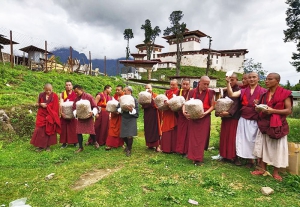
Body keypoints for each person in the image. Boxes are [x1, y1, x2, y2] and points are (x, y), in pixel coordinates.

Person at [252, 73, 292, 181]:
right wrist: (258, 108)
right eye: (266, 79)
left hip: (278, 124)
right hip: (265, 123)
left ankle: (276, 172)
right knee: (264, 146)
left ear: (277, 81)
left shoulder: (285, 94)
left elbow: (288, 110)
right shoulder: (264, 94)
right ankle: (262, 169)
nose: (266, 81)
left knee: (277, 147)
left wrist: (273, 111)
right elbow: (262, 107)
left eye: (270, 79)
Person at [226, 72, 267, 168]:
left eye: (254, 77)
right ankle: (250, 160)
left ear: (258, 78)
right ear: (247, 79)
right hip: (244, 118)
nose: (252, 79)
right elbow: (231, 94)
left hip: (256, 118)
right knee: (245, 139)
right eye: (250, 78)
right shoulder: (243, 90)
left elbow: (267, 104)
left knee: (256, 140)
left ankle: (258, 161)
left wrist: (259, 103)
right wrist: (228, 83)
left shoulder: (263, 91)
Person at [183, 76, 215, 166]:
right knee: (193, 137)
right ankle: (193, 156)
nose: (206, 86)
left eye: (208, 84)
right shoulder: (192, 92)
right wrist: (184, 112)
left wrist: (205, 113)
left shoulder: (210, 92)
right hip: (193, 118)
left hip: (204, 118)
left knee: (201, 138)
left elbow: (213, 105)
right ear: (199, 82)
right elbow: (185, 103)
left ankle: (198, 158)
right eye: (204, 84)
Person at [216, 73, 241, 164]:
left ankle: (233, 157)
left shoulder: (239, 90)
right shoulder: (225, 90)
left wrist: (229, 112)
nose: (230, 81)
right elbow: (220, 102)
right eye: (229, 79)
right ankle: (224, 155)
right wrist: (218, 112)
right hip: (225, 118)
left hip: (234, 117)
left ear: (237, 80)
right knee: (224, 136)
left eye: (233, 79)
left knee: (232, 138)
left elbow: (236, 104)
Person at [30, 83, 61, 152]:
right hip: (42, 115)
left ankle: (48, 146)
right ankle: (40, 146)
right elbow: (37, 104)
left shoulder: (55, 96)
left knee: (49, 129)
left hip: (51, 115)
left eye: (50, 90)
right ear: (44, 89)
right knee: (40, 130)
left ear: (52, 89)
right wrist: (41, 104)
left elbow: (56, 107)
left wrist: (52, 115)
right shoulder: (41, 95)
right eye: (47, 90)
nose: (48, 92)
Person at [72, 85, 99, 153]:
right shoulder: (76, 99)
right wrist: (76, 114)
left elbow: (94, 106)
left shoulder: (88, 96)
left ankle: (95, 142)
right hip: (80, 118)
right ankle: (81, 147)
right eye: (75, 92)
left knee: (91, 131)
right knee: (78, 132)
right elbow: (74, 108)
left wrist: (92, 113)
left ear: (81, 90)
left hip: (88, 117)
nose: (76, 94)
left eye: (77, 92)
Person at [118, 86, 139, 156]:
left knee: (129, 135)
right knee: (123, 135)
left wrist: (131, 110)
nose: (123, 92)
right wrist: (120, 109)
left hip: (131, 118)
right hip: (124, 117)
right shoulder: (122, 99)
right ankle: (128, 146)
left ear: (129, 91)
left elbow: (137, 112)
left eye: (125, 91)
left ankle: (129, 149)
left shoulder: (134, 99)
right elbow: (118, 107)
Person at [141, 84, 162, 152]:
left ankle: (157, 146)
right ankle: (150, 145)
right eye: (146, 88)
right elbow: (142, 104)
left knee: (155, 129)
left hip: (154, 114)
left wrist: (153, 100)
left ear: (152, 88)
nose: (148, 89)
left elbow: (159, 104)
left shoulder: (155, 95)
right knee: (148, 129)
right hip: (147, 114)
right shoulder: (143, 96)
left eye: (149, 88)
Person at [160, 79, 179, 153]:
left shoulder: (178, 92)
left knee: (173, 131)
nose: (172, 86)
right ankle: (165, 148)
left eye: (173, 85)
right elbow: (163, 100)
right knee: (165, 130)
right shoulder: (167, 92)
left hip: (174, 113)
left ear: (177, 85)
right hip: (167, 113)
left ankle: (173, 148)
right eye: (171, 84)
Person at [105, 85, 125, 150]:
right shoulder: (115, 96)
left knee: (120, 129)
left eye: (118, 90)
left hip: (121, 115)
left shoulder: (124, 96)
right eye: (116, 90)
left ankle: (121, 143)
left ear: (122, 90)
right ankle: (110, 144)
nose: (117, 91)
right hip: (114, 115)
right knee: (112, 129)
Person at [59, 81, 78, 148]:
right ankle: (64, 143)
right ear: (65, 86)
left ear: (72, 86)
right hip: (65, 113)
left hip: (73, 113)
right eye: (66, 85)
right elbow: (61, 104)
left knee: (74, 127)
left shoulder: (75, 93)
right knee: (64, 128)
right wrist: (61, 113)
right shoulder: (62, 94)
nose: (68, 86)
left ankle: (75, 142)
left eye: (69, 85)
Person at [175, 78, 191, 156]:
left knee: (188, 133)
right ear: (181, 84)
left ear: (189, 85)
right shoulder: (179, 92)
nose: (185, 86)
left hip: (188, 115)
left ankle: (187, 150)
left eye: (187, 84)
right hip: (180, 115)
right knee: (181, 132)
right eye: (183, 84)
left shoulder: (192, 92)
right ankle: (180, 150)